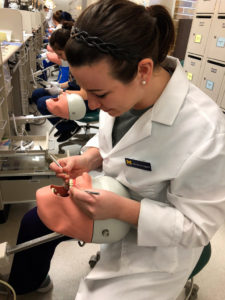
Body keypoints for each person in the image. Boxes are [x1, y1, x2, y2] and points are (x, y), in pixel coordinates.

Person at [8, 0, 225, 299]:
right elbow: (115, 144)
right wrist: (90, 157)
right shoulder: (122, 89)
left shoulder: (206, 132)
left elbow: (197, 229)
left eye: (99, 94)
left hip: (156, 257)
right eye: (87, 92)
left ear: (144, 70)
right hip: (113, 224)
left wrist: (124, 209)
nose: (92, 106)